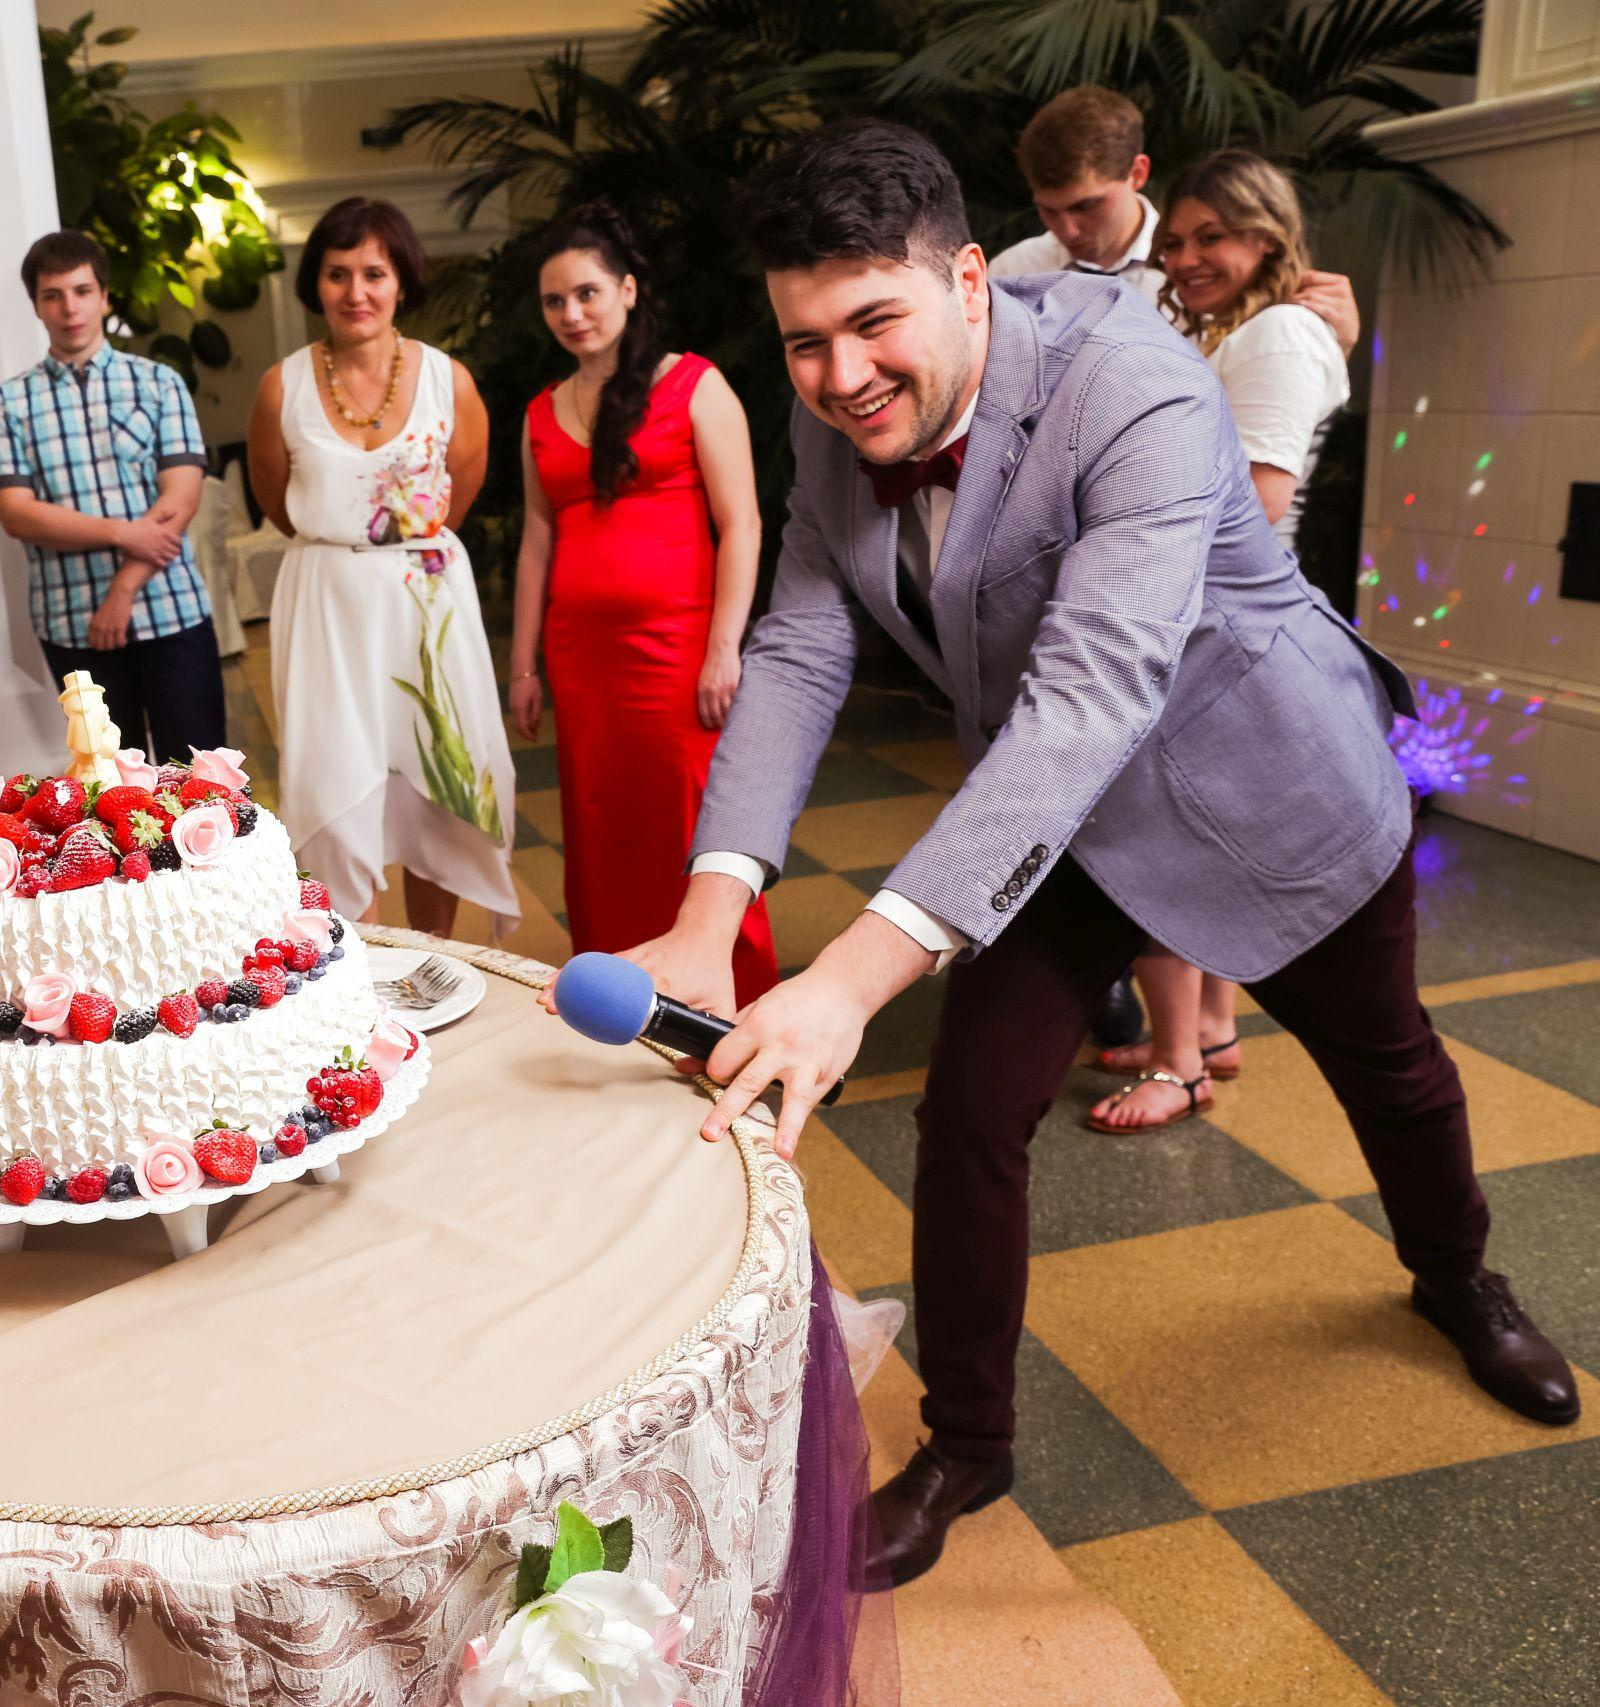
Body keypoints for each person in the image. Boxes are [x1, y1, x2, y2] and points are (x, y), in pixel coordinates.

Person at [610, 120, 1576, 1585]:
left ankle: (1459, 1279)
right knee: (969, 1111)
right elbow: (800, 644)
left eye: (873, 322)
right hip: (1052, 822)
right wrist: (709, 909)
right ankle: (968, 1444)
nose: (839, 375)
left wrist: (850, 979)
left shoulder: (1135, 382)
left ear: (969, 278)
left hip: (1268, 786)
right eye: (804, 341)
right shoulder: (827, 420)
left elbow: (1092, 694)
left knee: (1390, 1062)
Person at [1087, 150, 1355, 1134]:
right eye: (1176, 241)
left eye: (1213, 237)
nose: (1186, 258)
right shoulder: (1246, 328)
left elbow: (1258, 498)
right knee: (1194, 837)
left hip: (1212, 624)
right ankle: (1208, 1029)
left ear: (1268, 239)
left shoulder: (1278, 332)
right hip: (1211, 618)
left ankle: (1177, 1065)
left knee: (1153, 841)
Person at [511, 202, 778, 1003]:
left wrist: (724, 647)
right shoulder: (540, 411)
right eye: (554, 300)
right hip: (582, 664)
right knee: (602, 832)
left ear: (628, 290)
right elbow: (536, 540)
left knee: (693, 826)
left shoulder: (695, 384)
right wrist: (522, 666)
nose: (571, 313)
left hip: (677, 656)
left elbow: (742, 524)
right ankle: (618, 1004)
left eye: (587, 293)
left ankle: (729, 1002)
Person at [247, 196, 515, 938]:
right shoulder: (281, 386)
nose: (355, 292)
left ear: (402, 281)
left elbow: (460, 489)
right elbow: (277, 499)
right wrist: (347, 549)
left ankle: (434, 958)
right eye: (337, 274)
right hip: (325, 606)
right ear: (315, 283)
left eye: (374, 273)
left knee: (437, 785)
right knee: (336, 791)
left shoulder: (450, 381)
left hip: (426, 608)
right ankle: (362, 970)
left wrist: (395, 549)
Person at [0, 229, 221, 760]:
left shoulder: (159, 383)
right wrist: (124, 532)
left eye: (83, 291)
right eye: (53, 295)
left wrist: (122, 592)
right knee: (107, 784)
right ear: (36, 306)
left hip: (171, 609)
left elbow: (181, 498)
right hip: (71, 622)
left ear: (105, 296)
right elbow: (17, 514)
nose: (70, 308)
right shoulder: (8, 403)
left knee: (201, 777)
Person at [988, 84, 1362, 353]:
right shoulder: (1013, 271)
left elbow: (1272, 389)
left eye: (1087, 206)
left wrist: (1336, 344)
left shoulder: (1206, 275)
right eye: (1048, 210)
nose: (1067, 230)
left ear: (1138, 172)